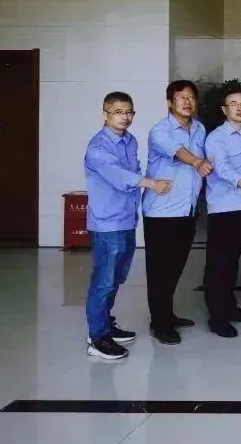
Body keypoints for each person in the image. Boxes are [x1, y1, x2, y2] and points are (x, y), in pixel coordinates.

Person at [83, 92, 171, 359]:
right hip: (106, 223)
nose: (124, 117)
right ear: (105, 114)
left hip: (126, 219)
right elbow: (120, 175)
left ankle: (105, 324)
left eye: (129, 112)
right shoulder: (98, 147)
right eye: (118, 112)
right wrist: (152, 184)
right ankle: (97, 338)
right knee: (104, 281)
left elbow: (133, 170)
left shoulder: (130, 140)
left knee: (115, 279)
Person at [143, 80, 209, 345]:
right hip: (161, 213)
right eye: (181, 97)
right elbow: (180, 153)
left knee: (174, 269)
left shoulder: (200, 129)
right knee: (159, 272)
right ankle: (159, 324)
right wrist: (198, 162)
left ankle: (167, 315)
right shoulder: (160, 130)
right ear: (170, 102)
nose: (187, 101)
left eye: (191, 97)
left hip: (187, 210)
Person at [202, 87, 241, 338]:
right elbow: (221, 167)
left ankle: (229, 307)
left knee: (232, 261)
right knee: (219, 264)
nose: (240, 107)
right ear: (224, 110)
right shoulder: (216, 137)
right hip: (223, 209)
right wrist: (239, 181)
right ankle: (217, 317)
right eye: (234, 103)